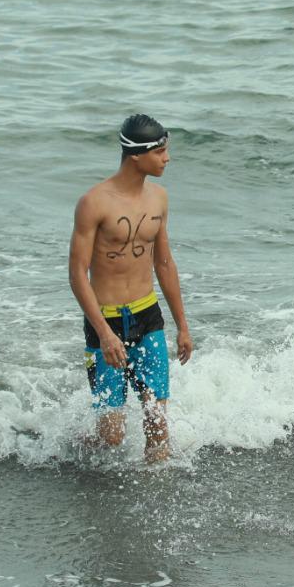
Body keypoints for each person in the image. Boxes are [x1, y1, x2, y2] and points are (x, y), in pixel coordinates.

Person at [68, 114, 193, 461]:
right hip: (105, 323)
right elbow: (78, 274)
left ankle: (159, 497)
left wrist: (182, 326)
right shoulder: (94, 203)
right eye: (161, 151)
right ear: (137, 155)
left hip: (147, 317)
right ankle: (69, 451)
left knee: (157, 423)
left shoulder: (159, 199)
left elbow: (164, 264)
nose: (167, 158)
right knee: (111, 437)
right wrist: (105, 334)